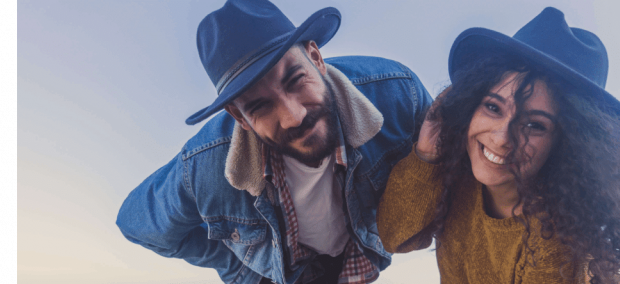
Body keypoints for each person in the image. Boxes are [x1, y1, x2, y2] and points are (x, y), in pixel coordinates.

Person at [115, 1, 431, 283]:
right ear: (239, 117)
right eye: (259, 106)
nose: (293, 116)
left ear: (315, 57)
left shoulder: (399, 97)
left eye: (295, 80)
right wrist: (240, 268)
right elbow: (135, 223)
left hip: (358, 255)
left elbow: (457, 174)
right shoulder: (205, 168)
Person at [377, 7, 620, 284]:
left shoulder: (557, 239)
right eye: (493, 107)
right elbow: (395, 237)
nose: (501, 138)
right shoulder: (459, 175)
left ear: (567, 145)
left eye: (534, 125)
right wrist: (428, 151)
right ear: (469, 105)